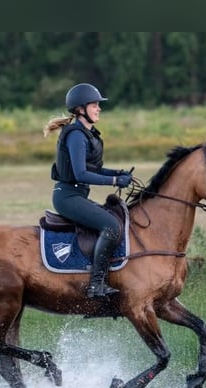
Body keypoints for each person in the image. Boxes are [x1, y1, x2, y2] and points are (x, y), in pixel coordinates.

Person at [43, 83, 132, 299]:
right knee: (111, 226)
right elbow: (81, 174)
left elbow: (95, 169)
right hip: (67, 197)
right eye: (94, 105)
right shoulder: (76, 135)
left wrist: (119, 173)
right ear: (81, 109)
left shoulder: (86, 133)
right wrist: (113, 180)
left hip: (77, 195)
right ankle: (96, 284)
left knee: (112, 219)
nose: (99, 108)